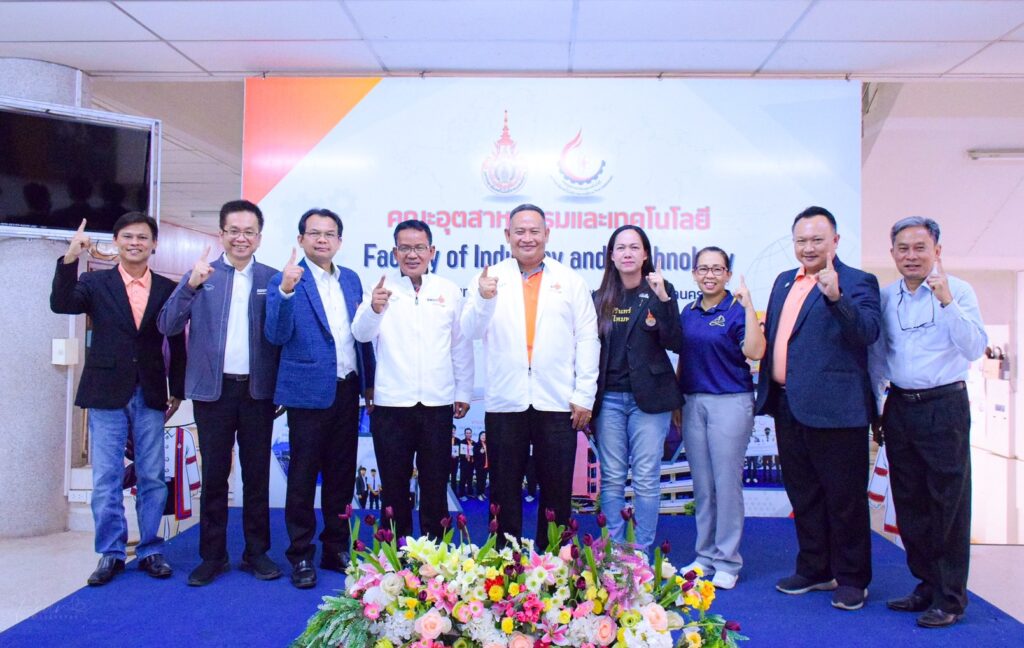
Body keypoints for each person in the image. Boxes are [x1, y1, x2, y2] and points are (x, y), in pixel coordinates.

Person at [50, 214, 186, 586]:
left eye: (142, 237)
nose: (135, 243)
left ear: (154, 244)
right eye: (128, 236)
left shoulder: (167, 288)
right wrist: (70, 258)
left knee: (152, 475)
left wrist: (178, 388)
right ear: (116, 241)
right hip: (106, 389)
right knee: (107, 477)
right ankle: (111, 552)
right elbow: (61, 303)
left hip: (151, 389)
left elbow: (176, 341)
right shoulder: (95, 283)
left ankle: (151, 549)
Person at [756, 206, 880, 611]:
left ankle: (852, 578)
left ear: (835, 242)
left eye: (817, 240)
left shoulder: (857, 281)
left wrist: (836, 297)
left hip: (837, 410)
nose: (808, 248)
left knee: (844, 499)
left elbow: (866, 332)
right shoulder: (783, 282)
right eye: (801, 240)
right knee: (804, 494)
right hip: (787, 404)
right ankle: (815, 568)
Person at [869, 217, 987, 628]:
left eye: (920, 247)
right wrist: (877, 408)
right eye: (903, 248)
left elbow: (974, 347)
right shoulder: (886, 296)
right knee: (910, 501)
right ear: (892, 254)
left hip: (945, 406)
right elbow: (878, 357)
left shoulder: (959, 291)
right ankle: (925, 583)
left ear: (937, 251)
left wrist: (947, 302)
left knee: (948, 503)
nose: (911, 256)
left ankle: (951, 597)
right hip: (900, 405)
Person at [158, 199, 282, 586]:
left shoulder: (273, 279)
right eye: (234, 230)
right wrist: (190, 285)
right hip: (213, 393)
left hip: (258, 393)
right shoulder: (202, 275)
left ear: (259, 237)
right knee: (214, 477)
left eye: (249, 231)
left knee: (257, 476)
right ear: (221, 233)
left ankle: (256, 552)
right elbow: (167, 325)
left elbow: (282, 335)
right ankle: (212, 556)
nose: (241, 238)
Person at [460, 203, 599, 547]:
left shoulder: (570, 281)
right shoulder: (488, 279)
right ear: (507, 235)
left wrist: (584, 394)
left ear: (547, 234)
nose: (527, 238)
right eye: (519, 231)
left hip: (558, 401)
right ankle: (504, 558)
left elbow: (587, 338)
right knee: (504, 488)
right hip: (505, 402)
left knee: (557, 489)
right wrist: (484, 298)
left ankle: (554, 559)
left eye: (534, 231)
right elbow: (470, 331)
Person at [265, 207, 375, 589]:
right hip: (308, 393)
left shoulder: (351, 279)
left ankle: (336, 547)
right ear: (301, 239)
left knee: (341, 475)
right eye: (314, 233)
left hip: (347, 389)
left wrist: (369, 383)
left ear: (339, 241)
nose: (322, 240)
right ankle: (300, 554)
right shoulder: (287, 279)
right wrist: (285, 291)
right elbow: (276, 335)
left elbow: (361, 335)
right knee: (302, 476)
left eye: (330, 234)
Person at [352, 219, 472, 538]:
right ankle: (396, 550)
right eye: (405, 248)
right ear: (395, 253)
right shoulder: (380, 289)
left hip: (437, 405)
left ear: (432, 251)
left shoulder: (448, 290)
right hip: (391, 405)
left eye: (419, 247)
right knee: (393, 486)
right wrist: (374, 309)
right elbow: (361, 334)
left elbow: (460, 346)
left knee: (435, 484)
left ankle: (435, 553)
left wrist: (463, 391)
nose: (412, 254)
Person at [676, 246, 766, 589]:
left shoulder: (737, 309)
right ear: (694, 274)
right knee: (703, 485)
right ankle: (704, 556)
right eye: (703, 269)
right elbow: (685, 358)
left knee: (726, 484)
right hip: (693, 401)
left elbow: (755, 351)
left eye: (717, 269)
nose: (710, 275)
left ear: (728, 274)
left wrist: (749, 305)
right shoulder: (688, 312)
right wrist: (678, 401)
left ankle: (728, 560)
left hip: (730, 402)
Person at [591, 225, 682, 552]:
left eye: (634, 247)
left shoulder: (661, 290)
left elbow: (675, 341)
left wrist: (664, 300)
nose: (627, 253)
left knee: (645, 476)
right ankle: (614, 551)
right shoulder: (599, 298)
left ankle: (640, 552)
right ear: (611, 256)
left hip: (650, 400)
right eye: (621, 248)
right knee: (612, 477)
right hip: (609, 400)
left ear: (645, 254)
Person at [458, 429, 475, 500]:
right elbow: (458, 453)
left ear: (471, 434)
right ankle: (461, 495)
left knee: (470, 479)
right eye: (467, 433)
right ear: (465, 434)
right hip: (464, 464)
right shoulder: (461, 442)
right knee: (463, 480)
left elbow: (475, 453)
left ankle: (470, 493)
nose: (468, 434)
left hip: (471, 464)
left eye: (469, 433)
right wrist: (464, 455)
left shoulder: (474, 443)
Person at [474, 431, 488, 501]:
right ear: (479, 436)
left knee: (483, 481)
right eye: (482, 435)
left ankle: (482, 493)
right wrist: (480, 452)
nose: (483, 437)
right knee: (479, 481)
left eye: (485, 436)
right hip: (479, 466)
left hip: (486, 466)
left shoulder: (487, 444)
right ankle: (479, 494)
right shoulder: (477, 444)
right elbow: (475, 456)